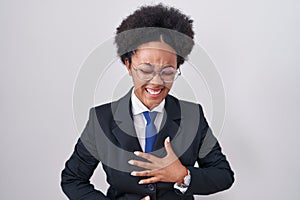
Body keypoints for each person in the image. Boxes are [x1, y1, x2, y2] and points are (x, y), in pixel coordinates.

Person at [61, 4, 234, 200]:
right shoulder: (101, 119)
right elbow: (72, 179)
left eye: (168, 72)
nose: (157, 82)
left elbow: (223, 175)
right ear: (128, 65)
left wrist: (182, 175)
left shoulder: (192, 115)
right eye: (146, 70)